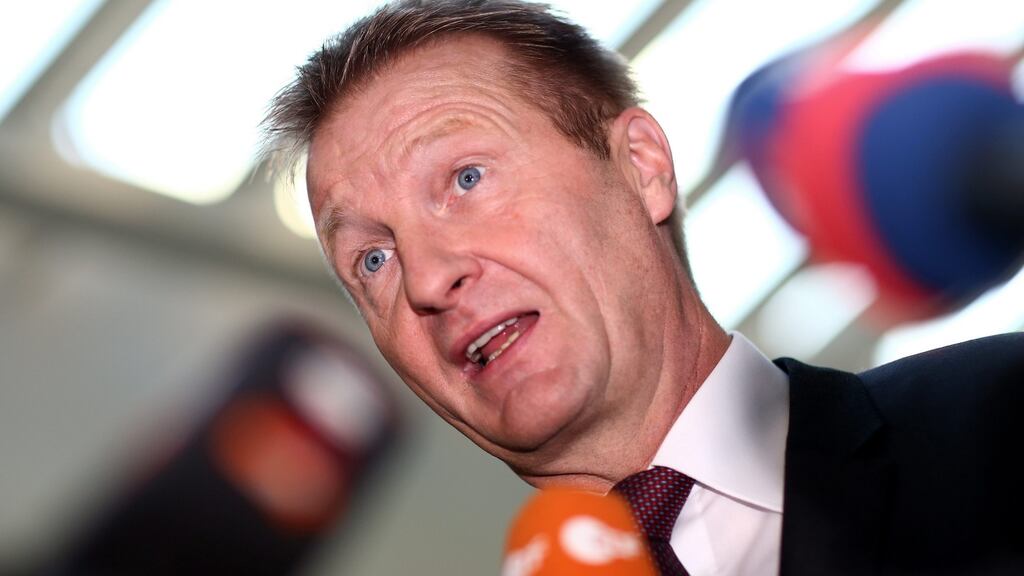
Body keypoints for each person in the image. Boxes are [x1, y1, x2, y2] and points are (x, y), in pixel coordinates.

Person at [261, 1, 1024, 574]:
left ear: (642, 167)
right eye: (372, 260)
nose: (427, 278)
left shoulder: (1000, 423)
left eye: (466, 179)